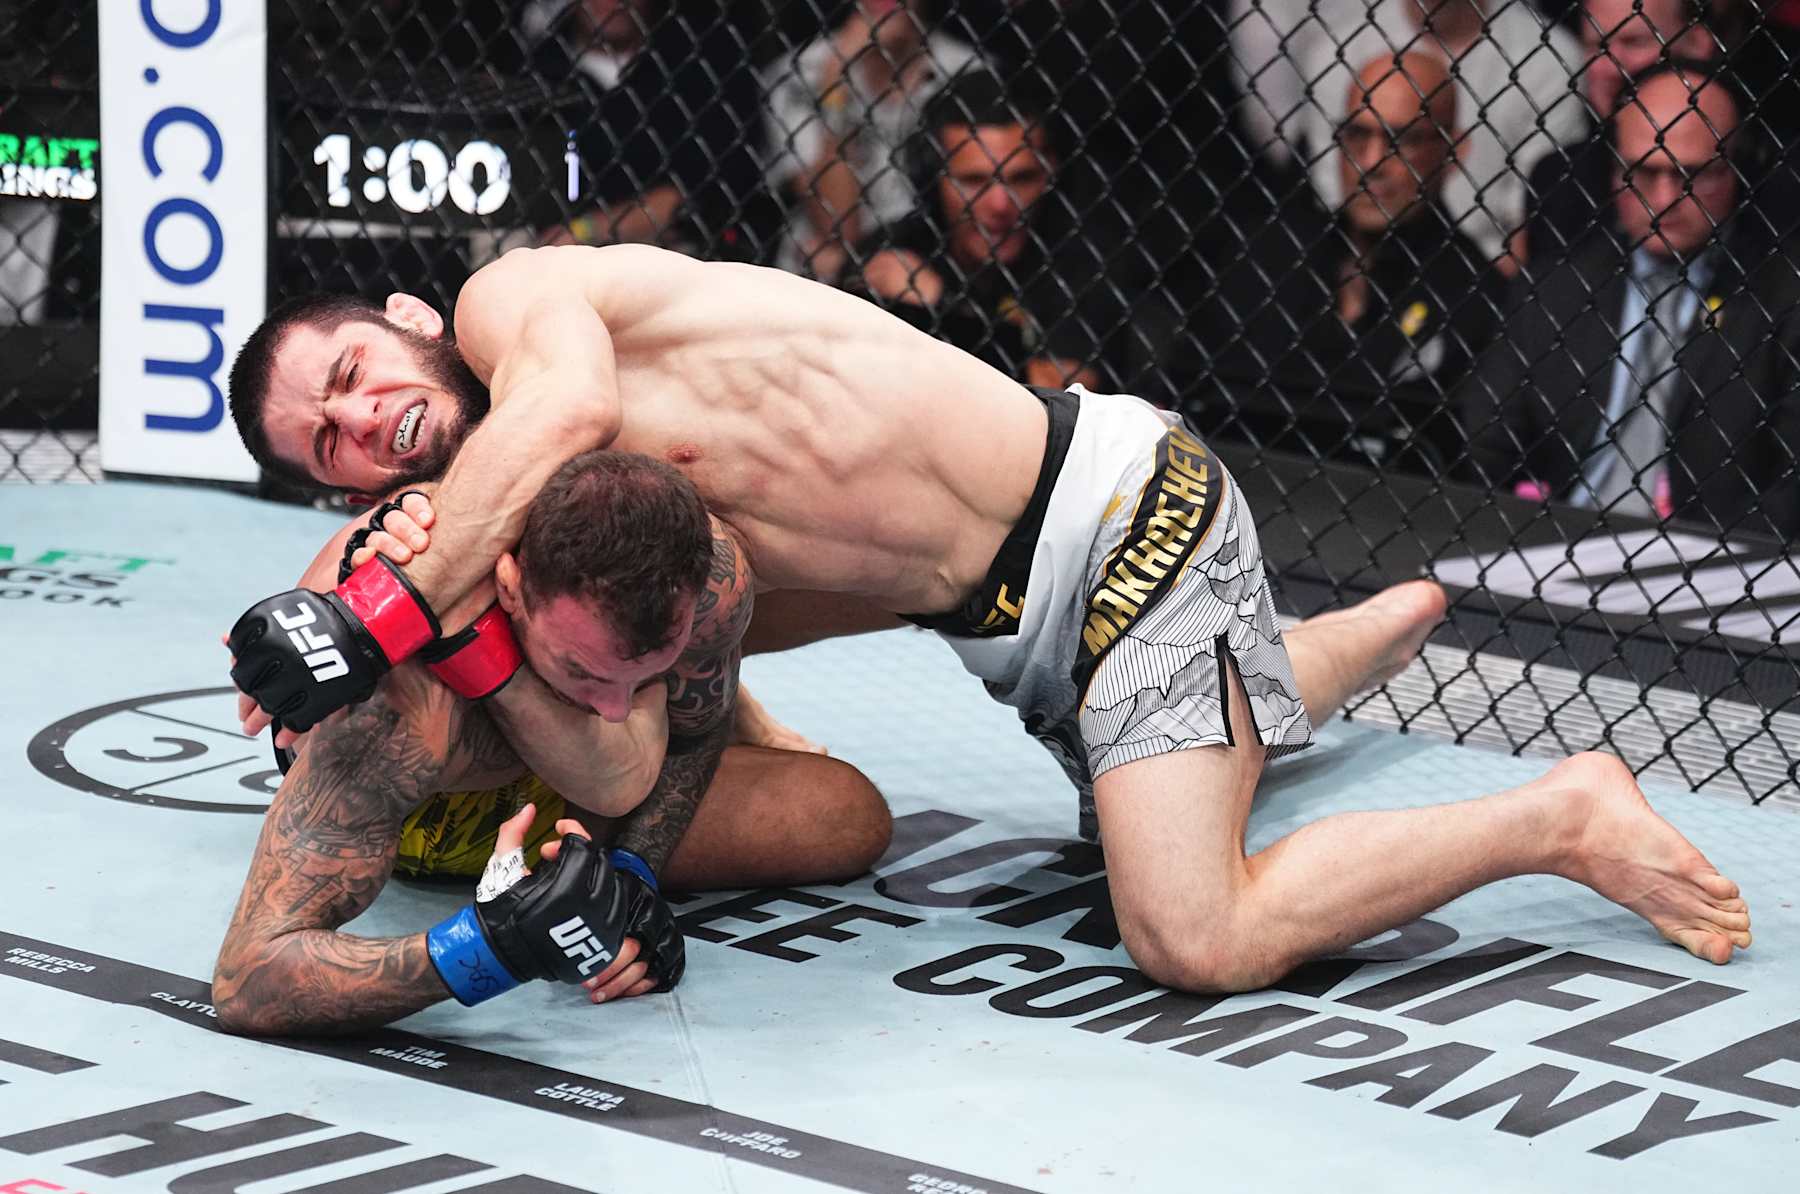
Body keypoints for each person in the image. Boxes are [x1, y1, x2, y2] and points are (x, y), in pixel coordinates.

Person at [224, 241, 1752, 1014]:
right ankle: (1322, 651)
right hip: (1013, 629)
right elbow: (686, 661)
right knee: (1173, 733)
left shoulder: (526, 306)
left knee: (1189, 929)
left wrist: (369, 606)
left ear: (414, 315)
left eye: (352, 368)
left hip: (1121, 519)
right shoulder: (535, 535)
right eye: (330, 444)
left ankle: (1560, 809)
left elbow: (561, 405)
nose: (363, 418)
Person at [213, 481, 893, 1036]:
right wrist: (491, 946)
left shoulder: (708, 581)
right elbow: (250, 979)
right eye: (585, 671)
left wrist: (632, 872)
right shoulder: (399, 713)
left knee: (845, 816)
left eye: (643, 675)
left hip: (576, 797)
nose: (617, 711)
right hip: (435, 804)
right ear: (511, 590)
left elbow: (690, 729)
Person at [1461, 61, 1800, 538]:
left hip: (1709, 560)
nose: (1664, 198)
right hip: (1554, 541)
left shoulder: (1782, 297)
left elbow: (1791, 489)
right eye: (1643, 172)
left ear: (1738, 169)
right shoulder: (1559, 286)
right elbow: (1485, 443)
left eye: (1693, 174)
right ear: (1613, 171)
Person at [1195, 51, 1503, 473]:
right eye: (1357, 135)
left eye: (1402, 141)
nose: (1372, 162)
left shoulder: (1475, 294)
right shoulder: (1267, 255)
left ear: (1452, 151)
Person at [1231, 0, 1585, 264]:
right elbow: (1331, 203)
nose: (1373, 159)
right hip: (1355, 263)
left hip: (1487, 278)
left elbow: (1534, 228)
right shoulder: (1339, 47)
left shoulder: (1548, 61)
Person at [846, 70, 1131, 392]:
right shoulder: (898, 248)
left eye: (1022, 178)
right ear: (933, 180)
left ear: (1051, 171)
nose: (1000, 205)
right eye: (973, 181)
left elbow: (1060, 401)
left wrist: (943, 309)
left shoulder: (1083, 258)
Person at [523, 0, 767, 257]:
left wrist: (584, 229)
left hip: (681, 255)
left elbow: (696, 195)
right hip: (558, 255)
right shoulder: (536, 70)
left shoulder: (696, 63)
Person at [762, 0, 982, 279]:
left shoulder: (967, 73)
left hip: (931, 270)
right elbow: (836, 227)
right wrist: (834, 86)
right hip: (819, 280)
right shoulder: (802, 71)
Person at [1513, 0, 1722, 270]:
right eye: (1596, 47)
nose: (1608, 68)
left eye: (1634, 42)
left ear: (1697, 43)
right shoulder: (1558, 182)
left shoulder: (1768, 178)